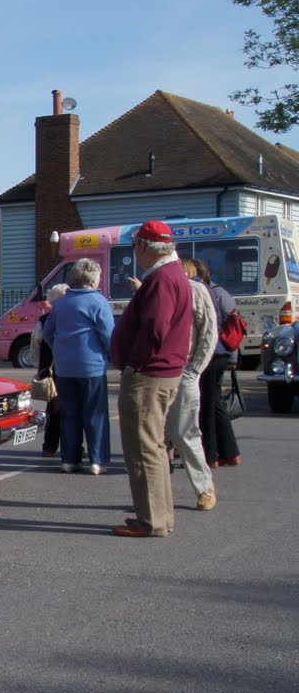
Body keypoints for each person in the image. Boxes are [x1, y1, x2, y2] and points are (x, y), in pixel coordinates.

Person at [110, 220, 194, 538]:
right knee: (154, 447)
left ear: (144, 247)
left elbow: (155, 327)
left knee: (144, 448)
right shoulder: (174, 275)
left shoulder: (161, 279)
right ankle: (159, 515)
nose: (135, 252)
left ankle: (152, 520)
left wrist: (136, 363)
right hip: (163, 371)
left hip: (150, 373)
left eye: (135, 246)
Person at [42, 261, 113, 474]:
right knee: (95, 413)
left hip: (64, 367)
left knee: (70, 413)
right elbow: (108, 335)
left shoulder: (61, 303)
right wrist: (111, 355)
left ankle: (69, 459)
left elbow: (48, 333)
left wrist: (60, 350)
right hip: (91, 365)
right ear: (92, 279)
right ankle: (97, 460)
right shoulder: (98, 301)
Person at [167, 258, 217, 511]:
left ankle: (204, 487)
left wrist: (195, 369)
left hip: (184, 370)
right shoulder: (154, 289)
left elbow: (209, 332)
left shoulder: (196, 291)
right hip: (156, 373)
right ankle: (157, 497)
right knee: (156, 438)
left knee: (184, 433)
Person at [196, 261, 243, 469]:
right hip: (219, 353)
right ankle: (227, 452)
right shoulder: (217, 292)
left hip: (215, 353)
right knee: (213, 403)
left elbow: (233, 326)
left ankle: (213, 453)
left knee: (209, 403)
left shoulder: (216, 293)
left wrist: (233, 358)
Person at [33, 285, 74, 458]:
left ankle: (51, 447)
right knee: (63, 410)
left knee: (55, 409)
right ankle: (62, 447)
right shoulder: (65, 318)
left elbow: (35, 345)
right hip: (59, 370)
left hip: (53, 370)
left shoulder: (44, 321)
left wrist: (40, 367)